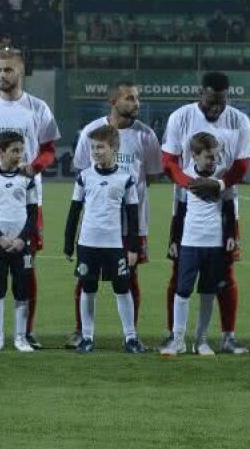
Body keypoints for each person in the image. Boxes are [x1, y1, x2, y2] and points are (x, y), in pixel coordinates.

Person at [0, 47, 60, 349]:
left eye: (8, 69)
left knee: (27, 264)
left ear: (21, 70)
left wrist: (35, 167)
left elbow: (49, 149)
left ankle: (25, 331)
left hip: (28, 201)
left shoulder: (38, 108)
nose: (2, 75)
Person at [161, 71, 250, 354]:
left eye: (222, 102)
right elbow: (169, 161)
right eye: (212, 102)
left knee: (225, 274)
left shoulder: (239, 120)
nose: (217, 108)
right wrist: (192, 184)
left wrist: (219, 184)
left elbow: (242, 163)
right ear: (201, 93)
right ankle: (174, 335)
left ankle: (226, 336)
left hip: (224, 202)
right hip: (187, 203)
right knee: (180, 275)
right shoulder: (181, 117)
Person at [67, 81, 162, 347]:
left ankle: (131, 334)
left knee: (130, 278)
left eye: (137, 98)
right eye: (130, 98)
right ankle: (81, 332)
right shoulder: (92, 132)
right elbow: (84, 174)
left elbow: (152, 175)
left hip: (132, 225)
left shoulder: (146, 136)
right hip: (97, 225)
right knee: (86, 278)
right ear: (114, 102)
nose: (137, 103)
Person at [63, 125, 144, 354]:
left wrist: (133, 248)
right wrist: (69, 244)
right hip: (87, 244)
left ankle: (130, 337)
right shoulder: (84, 176)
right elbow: (74, 211)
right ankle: (87, 337)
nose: (96, 152)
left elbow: (132, 216)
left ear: (114, 148)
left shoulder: (126, 179)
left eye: (101, 147)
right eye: (93, 147)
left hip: (114, 245)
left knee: (122, 288)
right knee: (88, 288)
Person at [159, 133, 236, 356]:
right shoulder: (185, 178)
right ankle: (179, 340)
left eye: (215, 156)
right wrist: (174, 240)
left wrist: (231, 235)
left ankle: (201, 341)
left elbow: (229, 207)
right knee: (182, 291)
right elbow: (179, 211)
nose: (213, 161)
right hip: (190, 243)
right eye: (208, 157)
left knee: (208, 292)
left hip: (214, 243)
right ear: (194, 155)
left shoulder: (222, 177)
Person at [0, 132, 39, 353]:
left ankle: (21, 338)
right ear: (0, 152)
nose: (19, 155)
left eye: (21, 151)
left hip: (22, 246)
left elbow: (33, 215)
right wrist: (0, 238)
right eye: (14, 151)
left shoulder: (27, 179)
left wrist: (22, 239)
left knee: (22, 289)